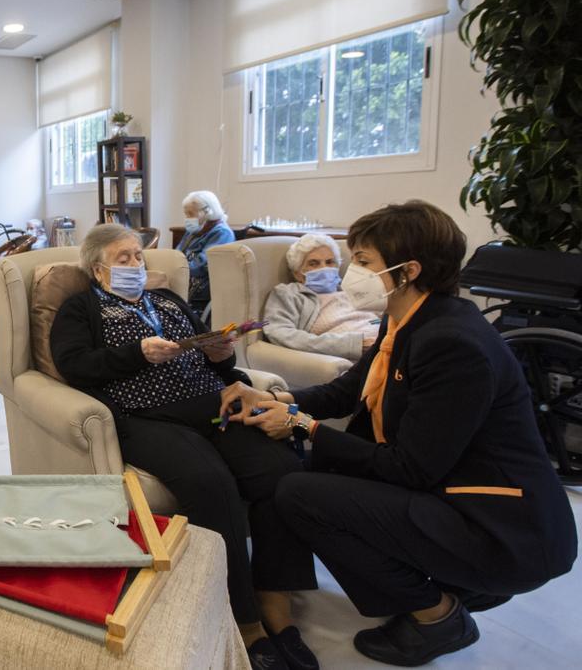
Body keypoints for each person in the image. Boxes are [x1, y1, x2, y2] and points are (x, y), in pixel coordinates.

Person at [222, 201, 578, 666]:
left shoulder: (452, 343)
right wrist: (285, 399)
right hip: (458, 496)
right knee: (313, 476)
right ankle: (450, 583)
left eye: (364, 263)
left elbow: (409, 467)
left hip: (502, 527)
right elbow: (349, 390)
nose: (351, 272)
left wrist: (302, 427)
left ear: (407, 270)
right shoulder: (406, 319)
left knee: (300, 493)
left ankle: (438, 616)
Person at [50, 224, 319, 670]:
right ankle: (244, 620)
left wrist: (221, 354)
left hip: (214, 402)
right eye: (124, 258)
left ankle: (276, 600)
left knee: (282, 470)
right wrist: (139, 353)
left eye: (139, 256)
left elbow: (214, 354)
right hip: (146, 416)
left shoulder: (168, 301)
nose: (137, 264)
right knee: (209, 482)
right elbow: (74, 365)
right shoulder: (79, 310)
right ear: (98, 270)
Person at [262, 233, 380, 361]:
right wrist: (352, 345)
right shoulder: (289, 293)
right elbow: (279, 333)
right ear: (298, 274)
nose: (324, 268)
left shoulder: (349, 289)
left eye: (330, 262)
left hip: (385, 339)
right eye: (314, 263)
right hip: (359, 353)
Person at [174, 190, 235, 310]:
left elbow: (202, 264)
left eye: (191, 214)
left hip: (200, 287)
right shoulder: (194, 231)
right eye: (186, 214)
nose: (187, 218)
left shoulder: (222, 233)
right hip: (183, 279)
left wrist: (177, 271)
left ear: (207, 212)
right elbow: (176, 254)